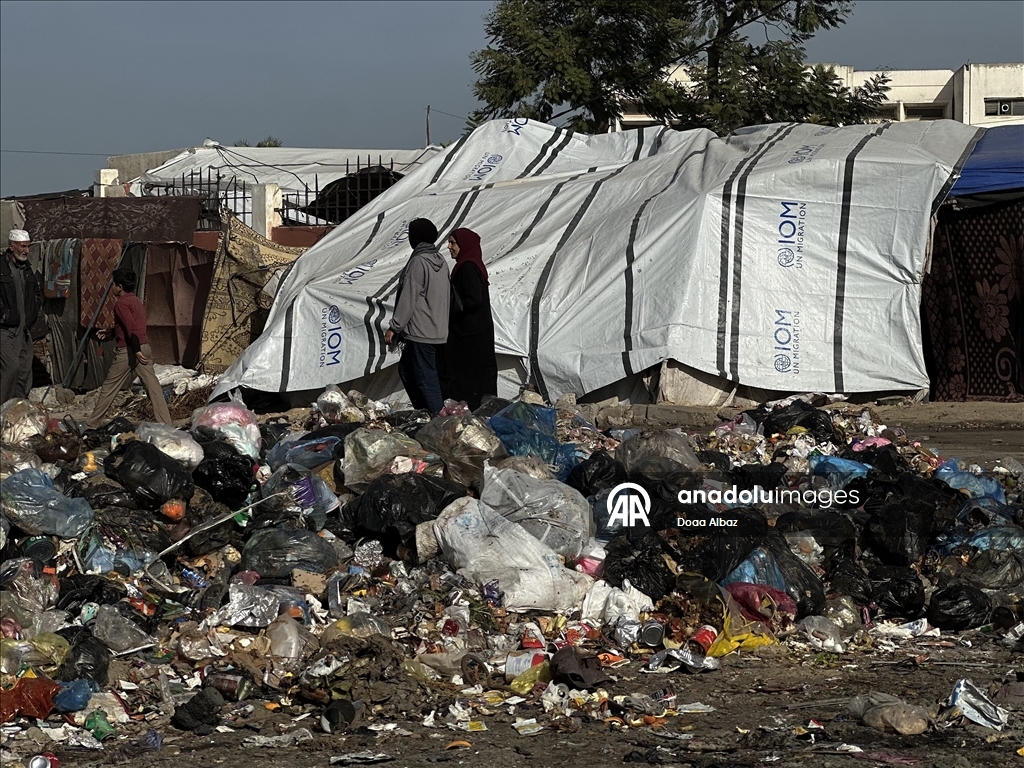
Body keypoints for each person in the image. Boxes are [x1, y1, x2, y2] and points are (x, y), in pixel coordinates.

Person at [84, 268, 173, 429]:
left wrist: (136, 350)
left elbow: (131, 327)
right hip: (143, 347)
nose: (112, 287)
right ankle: (167, 424)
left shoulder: (121, 303)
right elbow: (130, 325)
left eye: (113, 284)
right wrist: (112, 332)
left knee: (109, 387)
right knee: (153, 387)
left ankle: (91, 424)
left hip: (130, 350)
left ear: (119, 287)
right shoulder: (136, 301)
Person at [383, 218, 449, 414]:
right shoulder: (441, 261)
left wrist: (394, 327)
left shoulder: (418, 262)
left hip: (421, 331)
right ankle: (424, 412)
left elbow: (408, 297)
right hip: (436, 328)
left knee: (425, 378)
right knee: (407, 371)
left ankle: (438, 419)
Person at [438, 228, 498, 410]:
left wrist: (448, 307)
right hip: (475, 333)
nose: (449, 247)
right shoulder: (471, 265)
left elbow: (473, 299)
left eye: (453, 242)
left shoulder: (467, 267)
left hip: (469, 336)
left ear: (464, 245)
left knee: (468, 379)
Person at [0, 229, 42, 404]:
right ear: (12, 247)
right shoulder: (2, 267)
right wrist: (3, 314)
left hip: (24, 329)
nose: (26, 251)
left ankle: (19, 407)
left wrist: (33, 313)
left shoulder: (27, 268)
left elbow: (37, 293)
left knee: (24, 370)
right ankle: (4, 408)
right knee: (11, 368)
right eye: (23, 246)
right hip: (6, 329)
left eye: (28, 247)